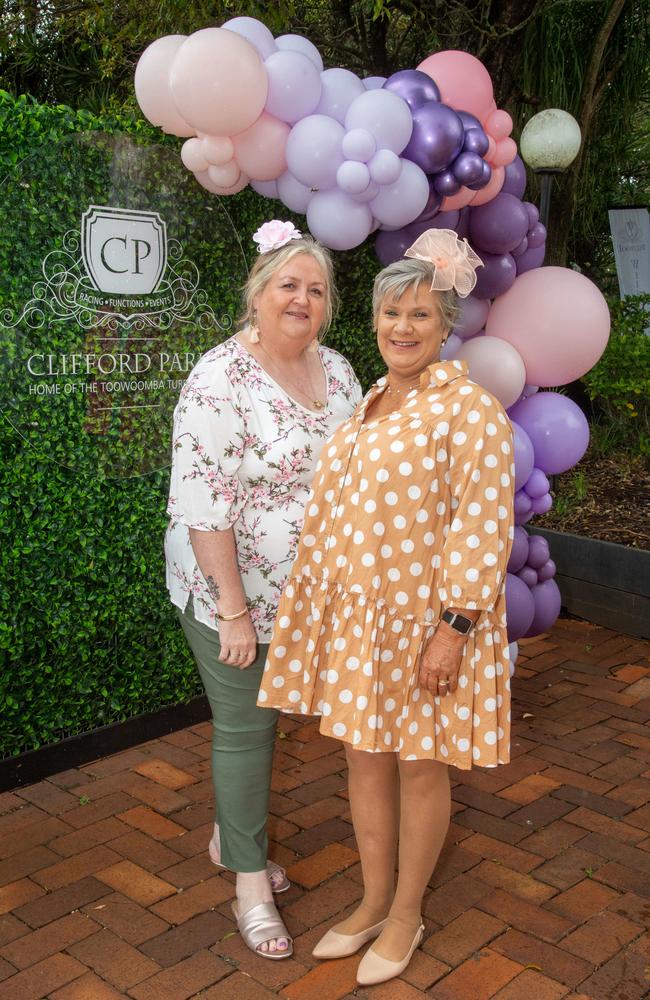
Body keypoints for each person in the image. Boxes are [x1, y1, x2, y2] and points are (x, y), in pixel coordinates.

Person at [258, 229, 515, 984]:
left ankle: (407, 913)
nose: (401, 328)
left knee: (419, 768)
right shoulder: (371, 400)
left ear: (446, 327)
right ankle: (372, 900)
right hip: (361, 625)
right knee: (364, 761)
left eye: (420, 316)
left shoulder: (467, 410)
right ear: (372, 320)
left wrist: (454, 630)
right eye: (390, 313)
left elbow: (483, 525)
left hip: (428, 627)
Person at [164, 220, 362, 960]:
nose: (302, 299)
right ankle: (249, 883)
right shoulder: (219, 378)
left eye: (315, 289)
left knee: (275, 717)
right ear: (257, 293)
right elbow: (200, 501)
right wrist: (235, 611)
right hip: (230, 593)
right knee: (247, 733)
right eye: (289, 284)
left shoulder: (337, 371)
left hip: (307, 593)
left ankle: (229, 833)